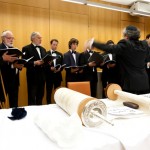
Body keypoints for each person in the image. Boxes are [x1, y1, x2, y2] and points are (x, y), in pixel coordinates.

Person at [85, 25, 150, 94]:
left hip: (130, 84)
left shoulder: (126, 44)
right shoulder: (144, 45)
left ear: (126, 35)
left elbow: (109, 48)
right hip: (144, 83)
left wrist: (93, 43)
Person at [22, 32, 46, 105]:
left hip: (42, 77)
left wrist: (48, 62)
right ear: (32, 38)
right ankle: (31, 114)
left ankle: (39, 114)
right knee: (32, 97)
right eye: (39, 38)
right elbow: (24, 63)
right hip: (32, 77)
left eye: (41, 38)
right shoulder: (26, 48)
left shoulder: (43, 49)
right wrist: (34, 63)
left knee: (40, 96)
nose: (40, 39)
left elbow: (44, 61)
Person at [0, 30, 23, 108]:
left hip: (14, 81)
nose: (11, 40)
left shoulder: (15, 49)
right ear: (3, 38)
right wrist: (3, 59)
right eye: (9, 38)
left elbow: (15, 64)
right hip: (3, 82)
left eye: (13, 38)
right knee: (2, 106)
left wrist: (18, 66)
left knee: (14, 105)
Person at [45, 39, 63, 104]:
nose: (55, 46)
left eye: (56, 45)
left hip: (58, 76)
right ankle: (48, 105)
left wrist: (60, 69)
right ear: (51, 44)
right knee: (48, 92)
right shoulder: (46, 54)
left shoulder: (60, 54)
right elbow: (44, 65)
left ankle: (57, 105)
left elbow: (62, 65)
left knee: (57, 93)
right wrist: (50, 68)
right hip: (49, 76)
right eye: (54, 44)